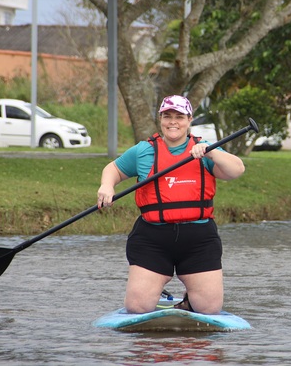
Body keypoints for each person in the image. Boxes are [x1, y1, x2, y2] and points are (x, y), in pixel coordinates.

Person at [96, 95, 246, 315]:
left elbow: (237, 170)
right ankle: (152, 290)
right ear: (161, 119)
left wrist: (212, 152)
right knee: (137, 307)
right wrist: (107, 186)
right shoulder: (143, 150)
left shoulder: (205, 149)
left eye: (179, 116)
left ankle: (190, 300)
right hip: (152, 238)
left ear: (189, 120)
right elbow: (114, 169)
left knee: (209, 308)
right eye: (167, 116)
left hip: (198, 239)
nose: (173, 122)